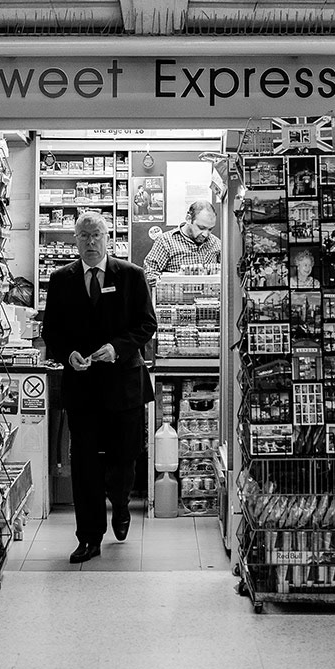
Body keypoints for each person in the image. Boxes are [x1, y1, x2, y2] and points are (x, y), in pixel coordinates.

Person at [41, 211, 157, 564]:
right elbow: (51, 332)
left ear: (109, 238)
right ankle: (89, 536)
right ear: (75, 240)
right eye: (84, 236)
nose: (91, 242)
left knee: (124, 458)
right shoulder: (61, 279)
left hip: (124, 387)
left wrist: (117, 347)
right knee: (85, 465)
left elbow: (146, 324)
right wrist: (68, 354)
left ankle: (120, 504)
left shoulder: (131, 275)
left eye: (97, 235)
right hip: (83, 388)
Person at [143, 199, 221, 286]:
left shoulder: (217, 244)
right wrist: (172, 281)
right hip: (175, 297)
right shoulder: (165, 241)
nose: (206, 234)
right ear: (188, 219)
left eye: (210, 229)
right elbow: (149, 273)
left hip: (208, 298)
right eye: (201, 228)